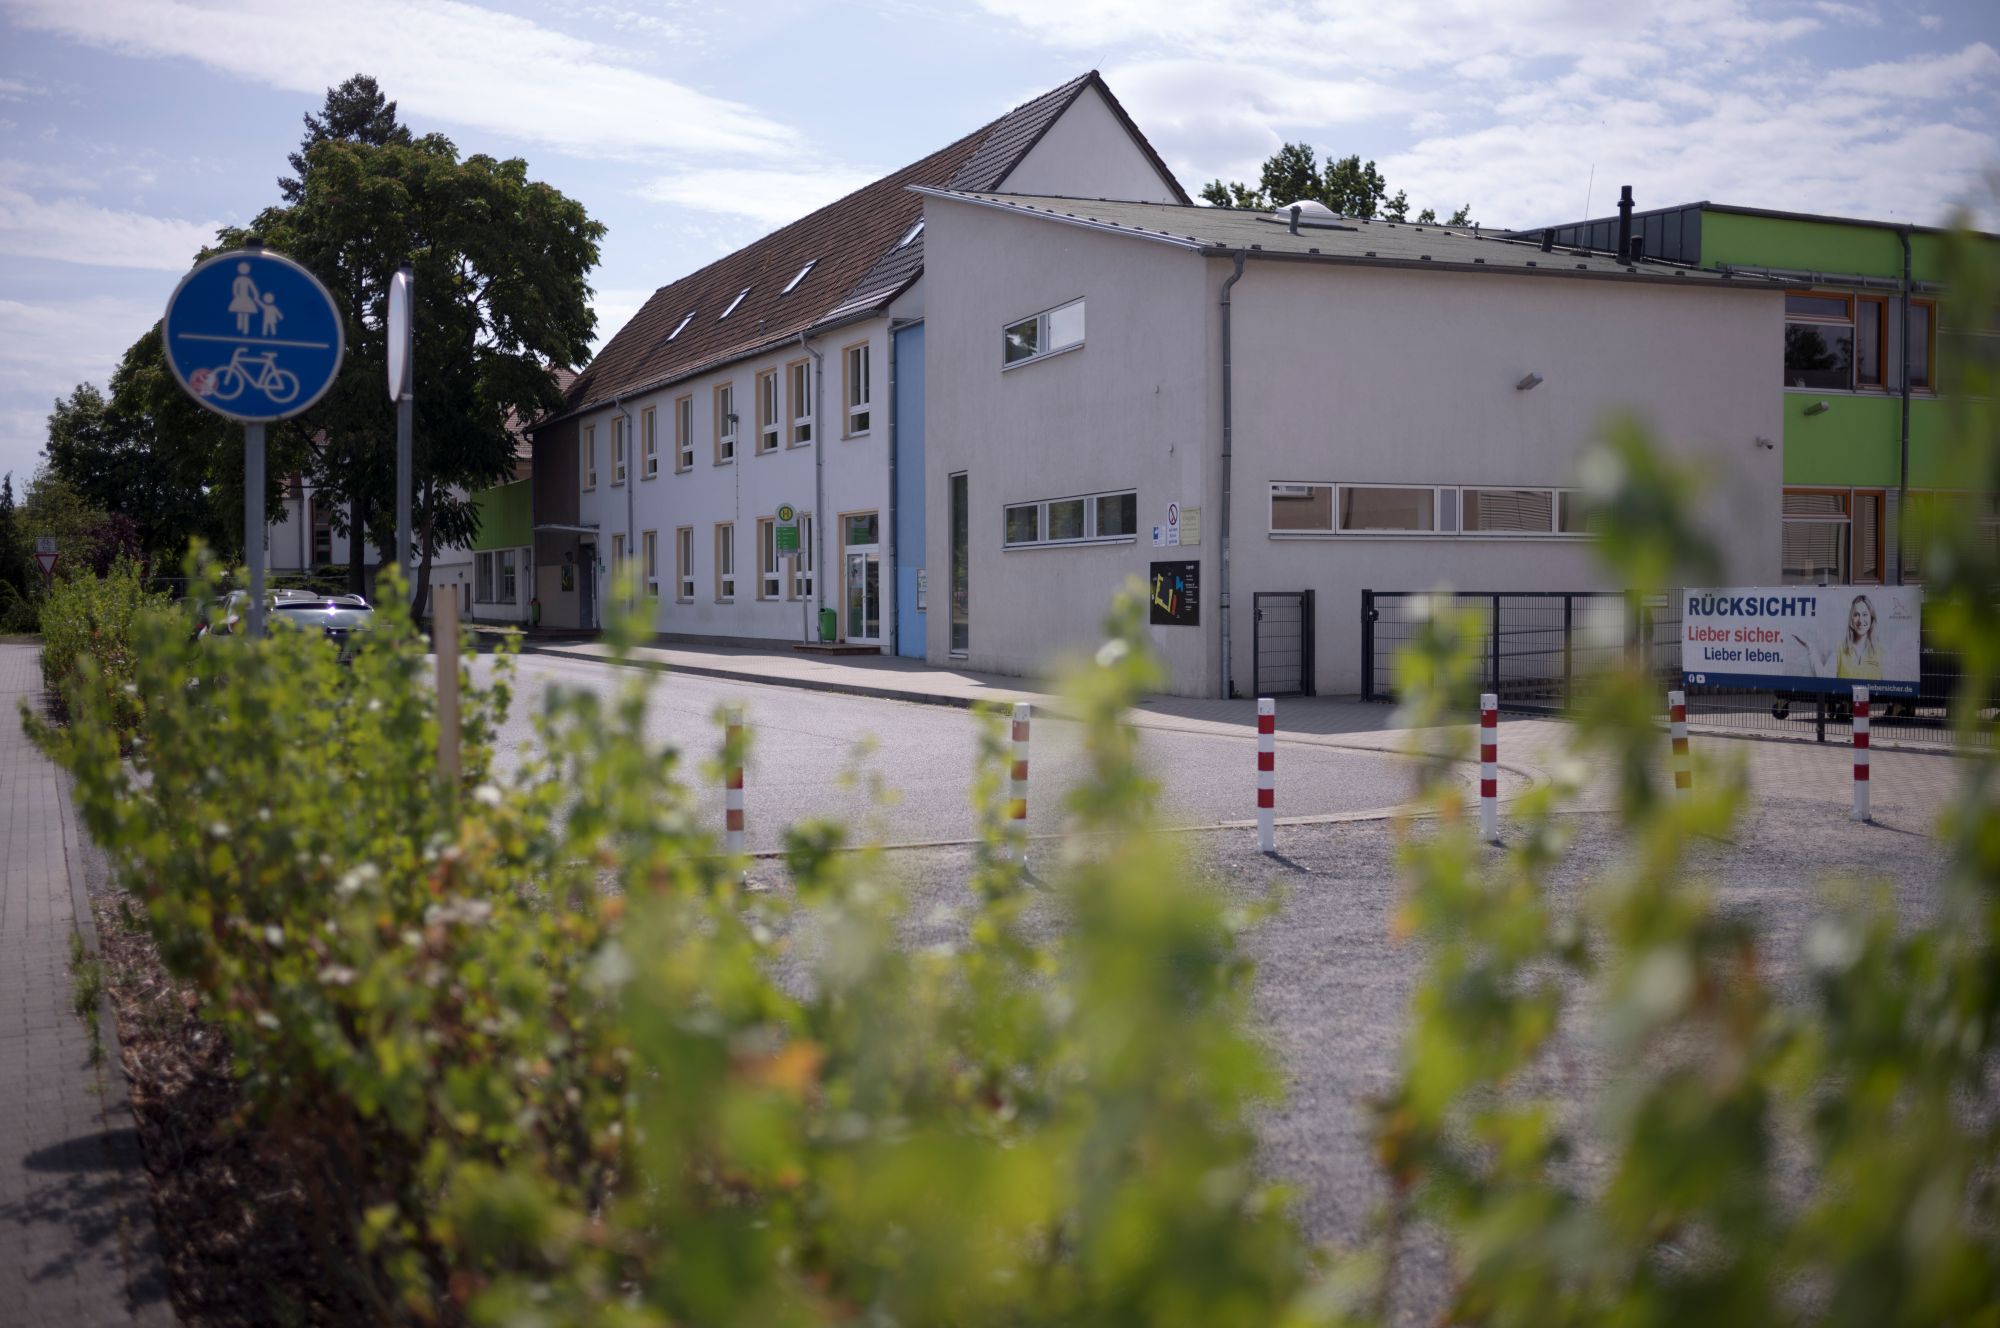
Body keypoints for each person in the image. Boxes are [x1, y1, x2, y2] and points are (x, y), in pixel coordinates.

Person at [1792, 594, 1883, 680]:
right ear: (1851, 618)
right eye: (1856, 615)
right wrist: (1810, 646)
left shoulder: (1881, 652)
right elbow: (1824, 678)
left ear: (1871, 617)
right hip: (1844, 697)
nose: (1860, 620)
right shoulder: (1840, 650)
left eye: (1865, 614)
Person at [228, 262, 260, 334]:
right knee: (239, 312)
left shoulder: (248, 280)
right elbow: (235, 288)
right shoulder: (238, 279)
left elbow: (252, 288)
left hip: (246, 298)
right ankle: (239, 328)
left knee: (246, 312)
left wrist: (255, 294)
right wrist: (236, 295)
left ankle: (245, 329)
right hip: (240, 297)